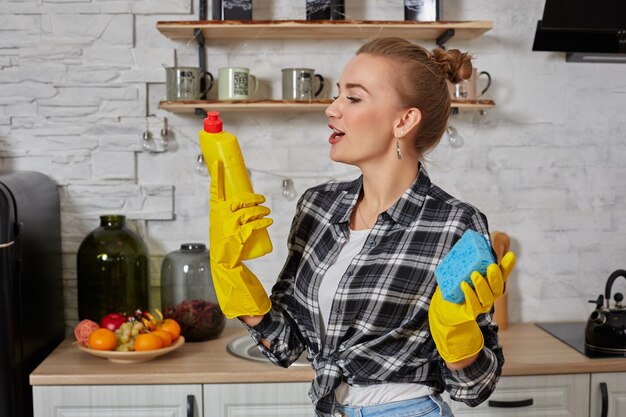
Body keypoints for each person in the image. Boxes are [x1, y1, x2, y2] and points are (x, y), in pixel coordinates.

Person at [207, 37, 516, 417]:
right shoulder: (318, 207)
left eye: (353, 98)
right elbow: (287, 346)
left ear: (404, 120)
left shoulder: (454, 224)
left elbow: (475, 389)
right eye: (338, 95)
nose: (331, 109)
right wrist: (231, 275)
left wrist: (456, 334)